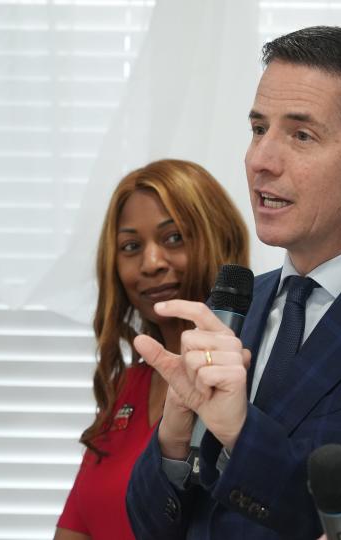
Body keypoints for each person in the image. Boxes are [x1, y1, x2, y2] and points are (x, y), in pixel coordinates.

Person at [125, 26, 341, 539]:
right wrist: (173, 436)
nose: (260, 160)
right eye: (259, 129)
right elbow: (153, 527)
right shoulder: (240, 304)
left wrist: (238, 432)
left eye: (301, 135)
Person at [55, 159, 249, 540]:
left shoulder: (247, 375)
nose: (151, 263)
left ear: (220, 238)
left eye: (173, 238)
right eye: (131, 246)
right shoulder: (124, 389)